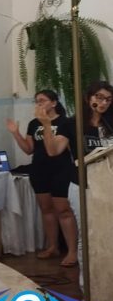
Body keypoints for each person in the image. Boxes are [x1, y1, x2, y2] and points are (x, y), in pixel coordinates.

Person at [40, 81, 113, 268]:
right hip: (83, 184)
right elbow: (53, 150)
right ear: (89, 98)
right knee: (87, 233)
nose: (103, 103)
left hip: (107, 184)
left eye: (108, 99)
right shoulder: (72, 124)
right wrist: (47, 125)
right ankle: (86, 285)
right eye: (99, 97)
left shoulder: (110, 123)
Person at [5, 90, 74, 263]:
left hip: (61, 169)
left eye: (42, 101)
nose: (38, 105)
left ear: (54, 103)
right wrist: (15, 133)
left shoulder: (65, 123)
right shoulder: (34, 123)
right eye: (36, 102)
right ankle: (52, 246)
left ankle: (72, 250)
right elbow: (29, 149)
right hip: (39, 169)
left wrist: (47, 124)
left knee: (63, 211)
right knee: (46, 209)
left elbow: (57, 151)